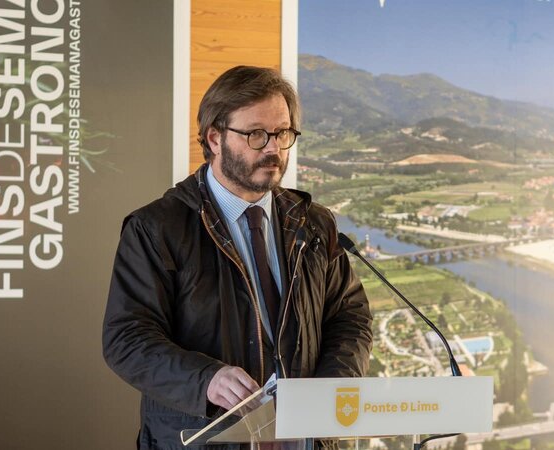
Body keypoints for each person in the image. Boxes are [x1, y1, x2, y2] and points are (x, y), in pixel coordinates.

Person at [102, 66, 373, 449]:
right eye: (256, 134)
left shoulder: (314, 223)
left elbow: (349, 316)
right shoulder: (157, 228)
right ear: (215, 138)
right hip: (204, 439)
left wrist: (330, 391)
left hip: (304, 440)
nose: (273, 149)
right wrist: (206, 379)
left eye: (282, 133)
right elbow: (127, 339)